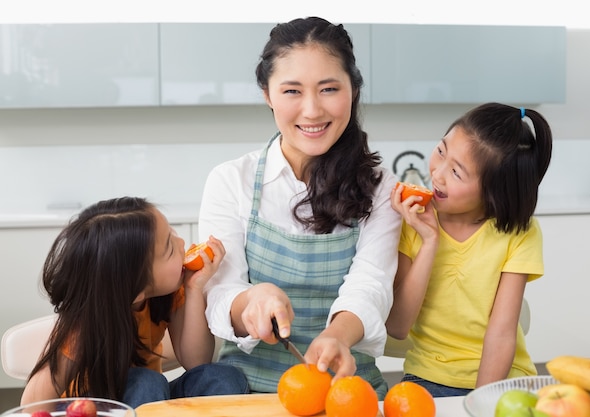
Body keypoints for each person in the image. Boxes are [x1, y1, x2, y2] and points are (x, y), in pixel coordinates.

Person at [198, 17, 401, 399]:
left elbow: (370, 284)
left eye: (328, 89)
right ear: (267, 94)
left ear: (353, 91)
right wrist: (252, 301)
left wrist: (337, 337)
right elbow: (221, 291)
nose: (311, 110)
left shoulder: (381, 189)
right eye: (292, 91)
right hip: (244, 393)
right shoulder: (230, 181)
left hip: (345, 391)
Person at [387, 103, 553, 397]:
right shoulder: (411, 221)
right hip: (427, 378)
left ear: (494, 191)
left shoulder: (519, 233)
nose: (437, 174)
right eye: (441, 151)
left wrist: (481, 403)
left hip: (502, 379)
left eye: (457, 173)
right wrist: (429, 241)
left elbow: (501, 335)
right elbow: (398, 326)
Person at [21, 197, 249, 407]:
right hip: (94, 408)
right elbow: (35, 397)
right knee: (145, 382)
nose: (181, 244)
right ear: (136, 289)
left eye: (172, 233)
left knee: (223, 377)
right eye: (169, 249)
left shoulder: (172, 290)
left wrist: (194, 288)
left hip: (148, 400)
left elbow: (196, 362)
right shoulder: (85, 325)